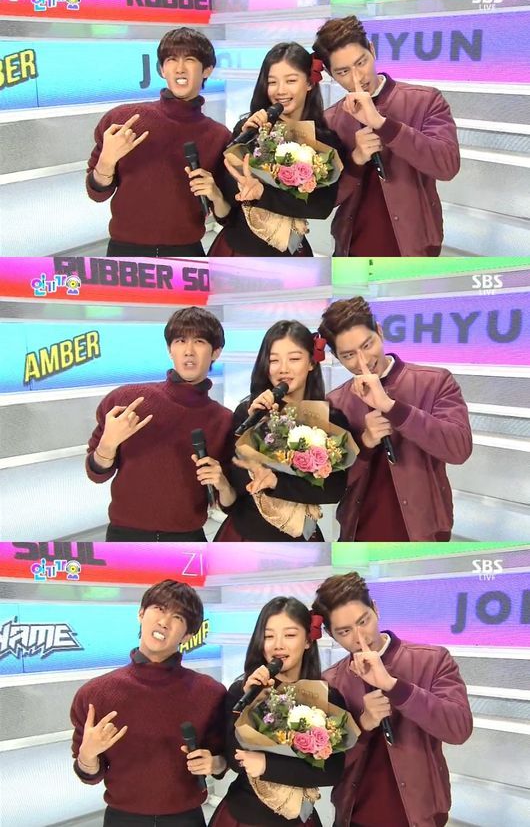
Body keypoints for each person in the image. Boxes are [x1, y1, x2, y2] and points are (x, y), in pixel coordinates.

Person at [313, 570, 473, 827]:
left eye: (364, 621)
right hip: (354, 818)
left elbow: (459, 729)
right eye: (345, 631)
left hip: (421, 817)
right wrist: (362, 725)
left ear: (375, 609)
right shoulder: (330, 682)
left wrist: (394, 686)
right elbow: (327, 764)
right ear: (332, 635)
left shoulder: (432, 660)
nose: (360, 637)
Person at [71, 579, 227, 827]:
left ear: (188, 634)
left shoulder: (210, 693)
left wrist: (215, 762)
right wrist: (87, 756)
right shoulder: (95, 694)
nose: (164, 622)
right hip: (122, 819)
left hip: (186, 819)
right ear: (141, 613)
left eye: (177, 617)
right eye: (159, 609)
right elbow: (88, 774)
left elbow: (223, 759)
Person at [318, 296, 473, 541]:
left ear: (379, 332)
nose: (363, 361)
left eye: (367, 345)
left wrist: (393, 408)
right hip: (359, 535)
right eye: (348, 355)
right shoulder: (335, 402)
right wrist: (364, 443)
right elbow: (332, 484)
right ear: (337, 357)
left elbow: (459, 449)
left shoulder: (435, 381)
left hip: (425, 534)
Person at [313, 14, 460, 256]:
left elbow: (447, 166)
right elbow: (326, 200)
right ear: (330, 74)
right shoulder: (330, 120)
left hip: (415, 250)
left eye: (361, 62)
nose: (358, 77)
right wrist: (356, 160)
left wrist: (383, 125)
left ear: (372, 50)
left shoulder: (425, 100)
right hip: (352, 250)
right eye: (343, 72)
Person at [86, 307, 234, 541]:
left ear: (216, 352)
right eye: (180, 341)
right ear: (169, 349)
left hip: (187, 538)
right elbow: (96, 474)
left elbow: (226, 502)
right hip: (126, 537)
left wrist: (223, 485)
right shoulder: (127, 400)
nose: (188, 351)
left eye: (199, 341)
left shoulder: (223, 420)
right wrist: (107, 446)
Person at [86, 27, 232, 257]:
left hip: (187, 253)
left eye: (190, 59)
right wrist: (106, 162)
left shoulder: (219, 136)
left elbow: (225, 216)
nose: (180, 68)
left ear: (207, 69)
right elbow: (96, 194)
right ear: (163, 69)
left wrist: (216, 195)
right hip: (126, 252)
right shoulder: (123, 120)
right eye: (171, 59)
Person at [209, 596, 346, 827]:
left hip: (298, 819)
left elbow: (332, 771)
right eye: (269, 636)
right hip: (242, 815)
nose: (277, 645)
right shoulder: (242, 691)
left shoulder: (327, 698)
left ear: (307, 641)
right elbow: (234, 759)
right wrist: (252, 702)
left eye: (289, 635)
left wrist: (267, 765)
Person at [214, 320, 353, 541]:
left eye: (294, 359)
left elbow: (333, 491)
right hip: (246, 536)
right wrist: (257, 426)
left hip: (300, 537)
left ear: (311, 362)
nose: (283, 369)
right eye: (273, 360)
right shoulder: (248, 413)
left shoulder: (330, 420)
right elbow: (237, 488)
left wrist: (276, 482)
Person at [208, 43, 344, 256]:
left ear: (309, 82)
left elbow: (321, 207)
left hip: (289, 253)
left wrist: (263, 193)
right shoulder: (247, 129)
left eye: (291, 80)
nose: (280, 90)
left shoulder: (324, 141)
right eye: (272, 82)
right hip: (238, 249)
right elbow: (229, 197)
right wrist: (246, 143)